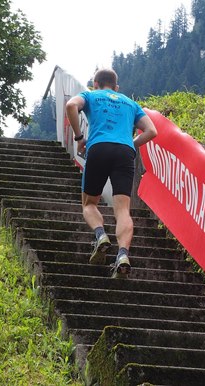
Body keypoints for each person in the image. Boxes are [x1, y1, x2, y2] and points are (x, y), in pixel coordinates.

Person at [65, 68, 157, 278]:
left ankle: (100, 235)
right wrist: (130, 144)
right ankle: (123, 255)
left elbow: (71, 105)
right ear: (117, 87)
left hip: (98, 148)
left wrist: (80, 139)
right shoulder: (130, 103)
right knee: (123, 210)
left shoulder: (90, 95)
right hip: (125, 153)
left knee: (89, 204)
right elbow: (152, 131)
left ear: (95, 84)